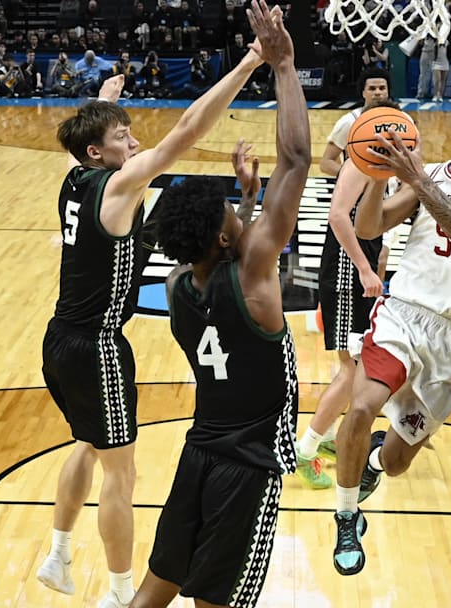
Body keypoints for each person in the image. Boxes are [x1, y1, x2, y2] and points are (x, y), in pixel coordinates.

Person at [35, 11, 275, 605]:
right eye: (124, 137)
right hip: (97, 345)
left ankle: (58, 555)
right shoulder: (118, 186)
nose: (136, 142)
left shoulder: (75, 176)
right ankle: (121, 592)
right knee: (121, 473)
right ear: (99, 152)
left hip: (59, 338)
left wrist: (104, 101)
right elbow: (185, 132)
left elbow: (87, 139)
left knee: (87, 444)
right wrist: (251, 60)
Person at [128, 5, 308, 606]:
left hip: (200, 451)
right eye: (230, 210)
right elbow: (296, 162)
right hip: (249, 464)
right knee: (217, 601)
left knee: (157, 588)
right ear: (229, 239)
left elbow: (221, 253)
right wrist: (283, 66)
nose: (235, 209)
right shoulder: (253, 273)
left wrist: (248, 200)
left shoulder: (178, 284)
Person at [332, 100, 451, 576]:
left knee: (397, 462)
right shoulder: (433, 172)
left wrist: (419, 181)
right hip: (402, 313)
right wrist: (377, 175)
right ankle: (346, 515)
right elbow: (369, 226)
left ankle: (373, 464)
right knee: (361, 407)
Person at [296, 100, 404, 490]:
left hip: (362, 269)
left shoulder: (385, 167)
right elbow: (338, 216)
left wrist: (377, 267)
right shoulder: (358, 162)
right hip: (345, 271)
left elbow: (379, 227)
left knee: (358, 366)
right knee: (352, 368)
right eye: (385, 128)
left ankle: (325, 436)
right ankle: (306, 449)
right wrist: (363, 268)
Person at [318, 67, 391, 177]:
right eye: (372, 88)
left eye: (382, 88)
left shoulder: (403, 120)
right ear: (363, 93)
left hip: (392, 183)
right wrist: (353, 178)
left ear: (388, 92)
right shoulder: (349, 122)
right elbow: (326, 163)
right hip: (360, 185)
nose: (377, 92)